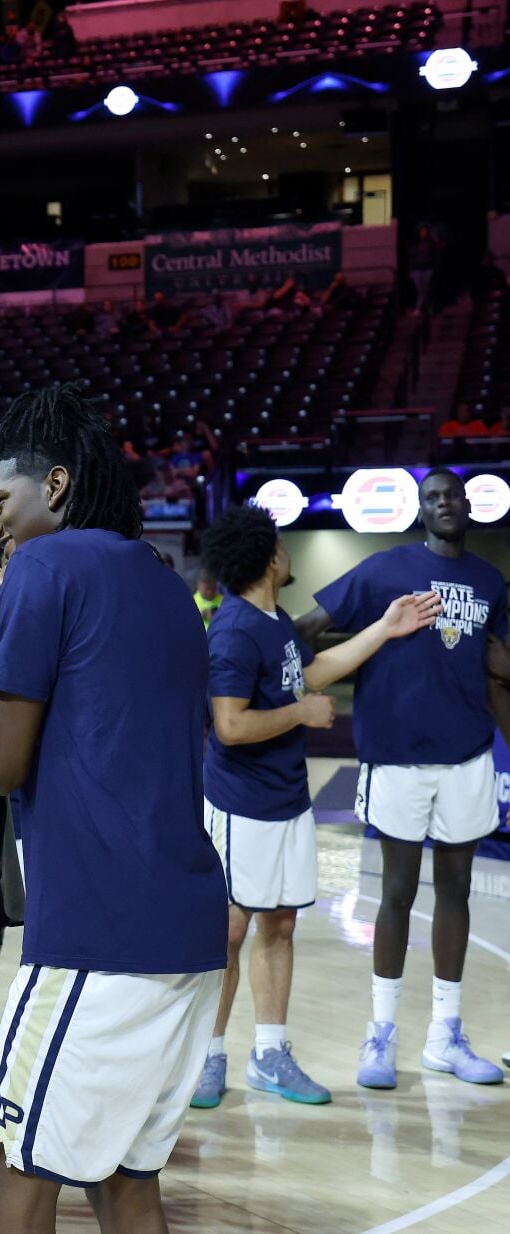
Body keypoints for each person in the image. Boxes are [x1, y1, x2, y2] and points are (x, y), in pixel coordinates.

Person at [0, 383, 227, 1234]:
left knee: (9, 1177)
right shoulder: (164, 582)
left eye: (0, 502)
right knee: (125, 1182)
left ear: (54, 486)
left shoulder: (47, 566)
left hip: (97, 938)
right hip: (186, 930)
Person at [192, 507, 439, 1113]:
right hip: (239, 804)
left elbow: (311, 671)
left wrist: (385, 628)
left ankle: (269, 1053)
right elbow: (228, 725)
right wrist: (302, 714)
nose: (287, 550)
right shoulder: (232, 630)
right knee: (228, 931)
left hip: (287, 801)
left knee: (280, 923)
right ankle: (208, 1055)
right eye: (281, 542)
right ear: (269, 557)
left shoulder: (273, 620)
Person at [295, 469, 510, 1089]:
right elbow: (306, 630)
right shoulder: (383, 571)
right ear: (420, 510)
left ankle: (445, 1035)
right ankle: (381, 1033)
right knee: (394, 894)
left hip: (468, 757)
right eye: (434, 497)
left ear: (469, 506)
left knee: (457, 891)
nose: (446, 503)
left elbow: (498, 670)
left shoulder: (491, 582)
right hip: (395, 758)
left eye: (453, 495)